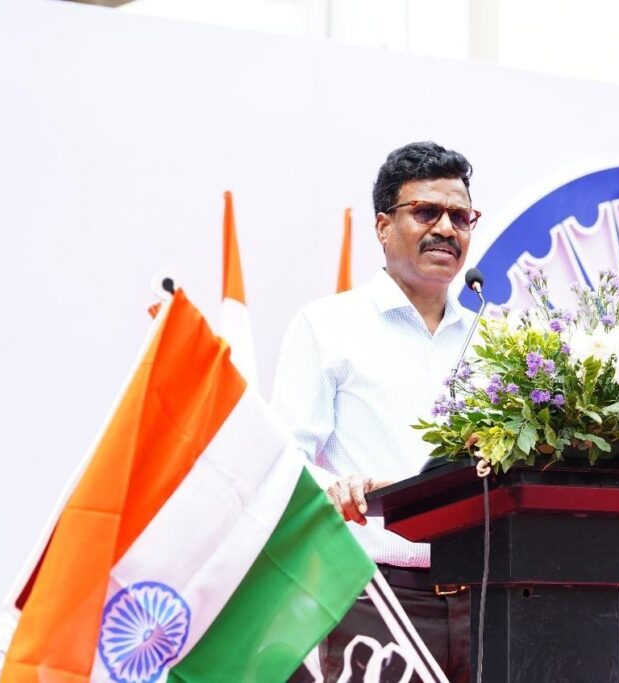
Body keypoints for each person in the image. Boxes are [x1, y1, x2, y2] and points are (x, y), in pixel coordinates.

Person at [272, 141, 480, 682]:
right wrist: (339, 488)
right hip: (375, 597)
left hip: (490, 597)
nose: (446, 229)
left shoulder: (494, 339)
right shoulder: (327, 326)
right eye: (426, 212)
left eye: (460, 217)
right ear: (383, 226)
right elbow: (286, 461)